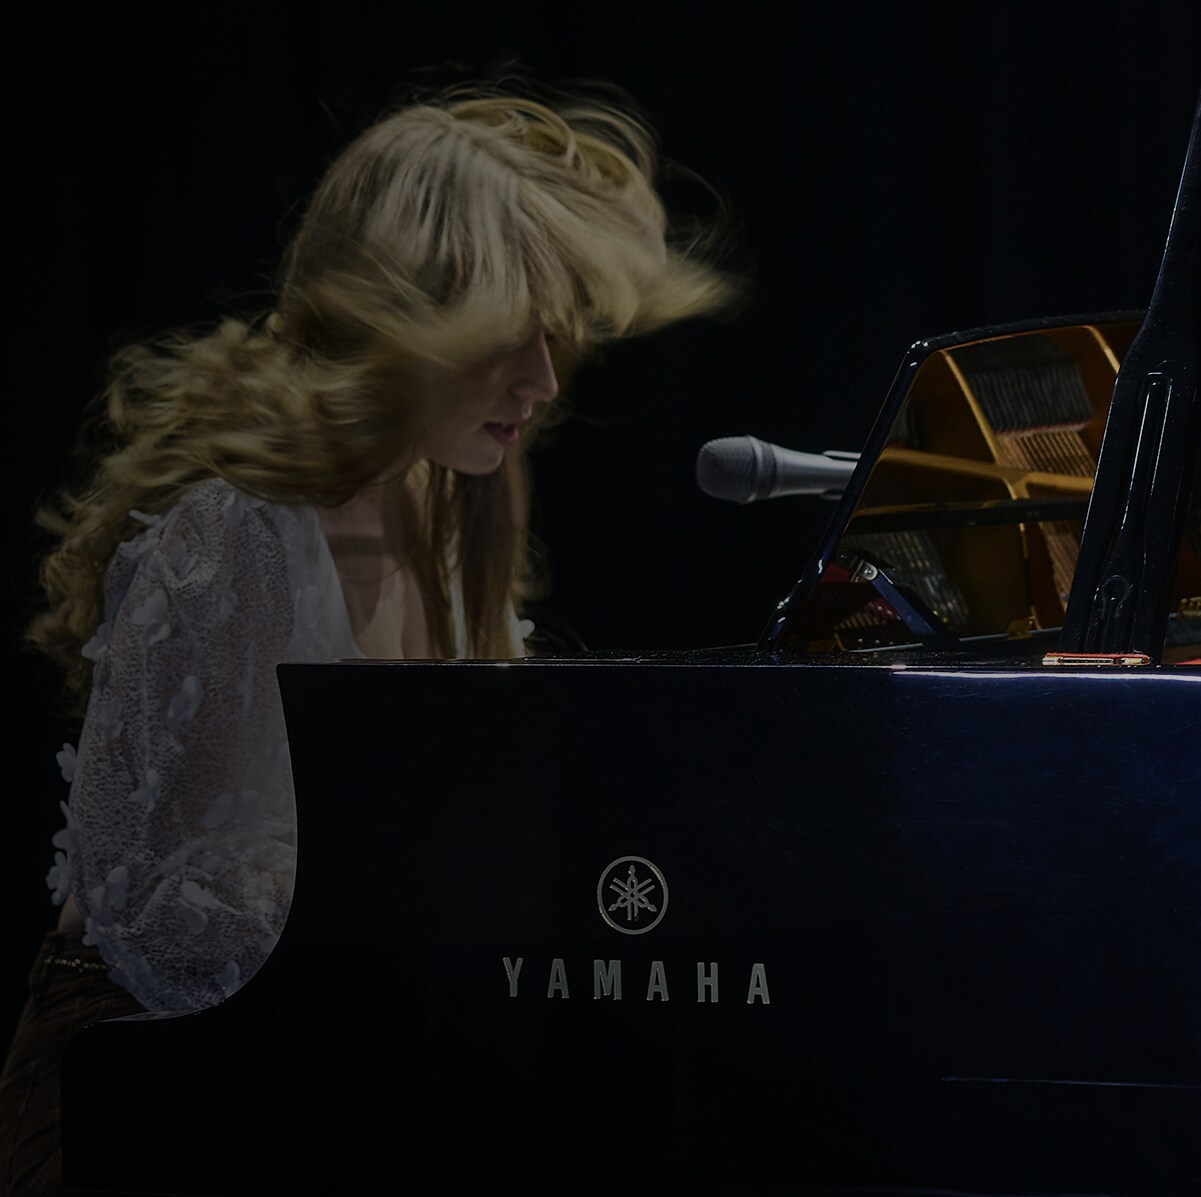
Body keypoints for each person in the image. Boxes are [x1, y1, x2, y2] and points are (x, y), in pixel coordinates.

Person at [0, 71, 746, 1191]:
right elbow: (149, 916)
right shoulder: (236, 537)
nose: (544, 381)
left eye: (560, 338)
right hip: (142, 1063)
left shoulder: (463, 502)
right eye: (512, 337)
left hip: (333, 1039)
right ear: (407, 324)